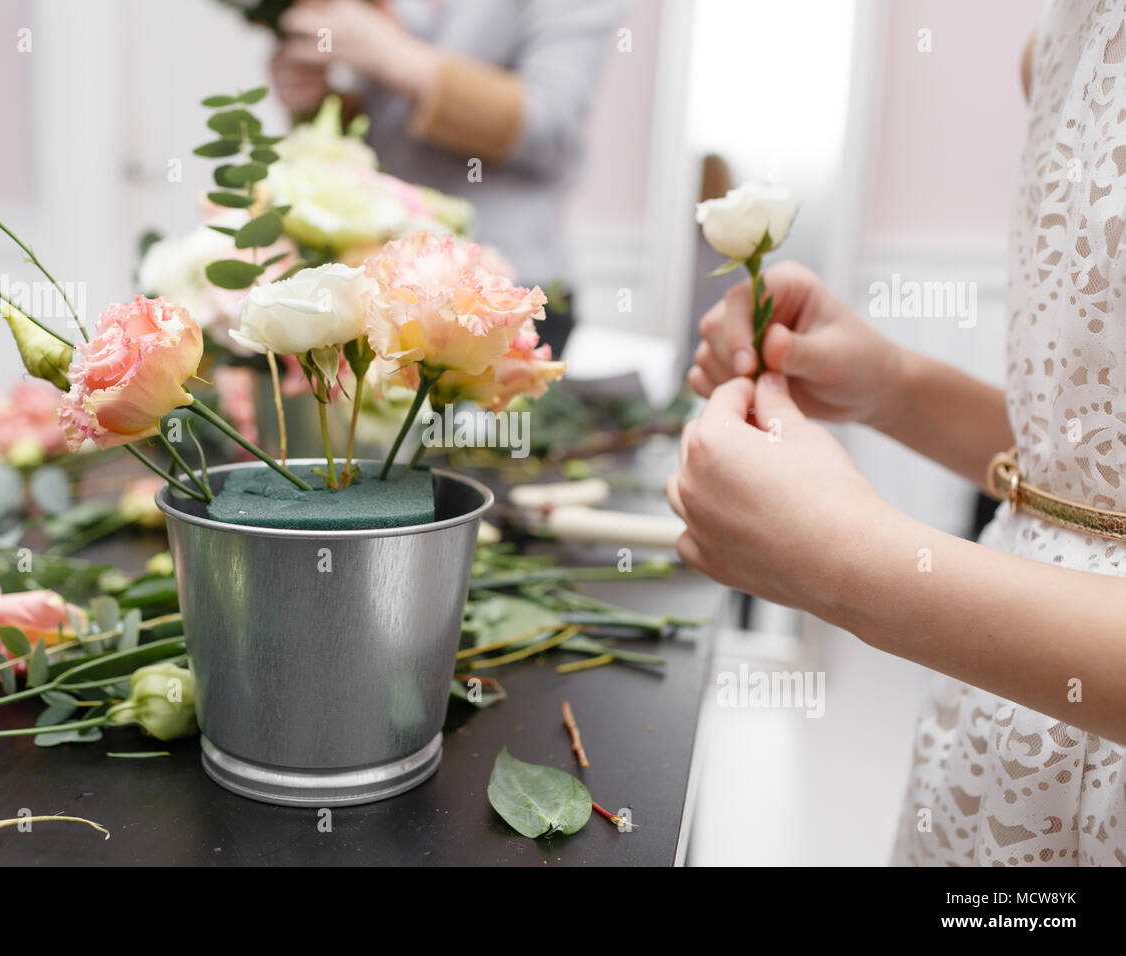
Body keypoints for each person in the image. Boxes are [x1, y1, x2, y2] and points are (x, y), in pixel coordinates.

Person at [669, 2, 1126, 866]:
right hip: (1006, 761)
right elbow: (1097, 489)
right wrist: (893, 387)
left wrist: (849, 566)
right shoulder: (1063, 38)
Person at [269, 0, 631, 357]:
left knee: (486, 419)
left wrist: (391, 54)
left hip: (506, 289)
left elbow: (550, 124)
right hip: (383, 284)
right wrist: (319, 101)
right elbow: (384, 130)